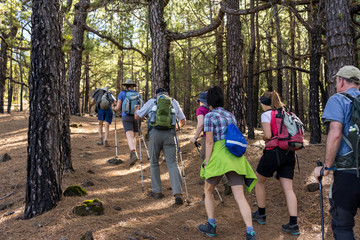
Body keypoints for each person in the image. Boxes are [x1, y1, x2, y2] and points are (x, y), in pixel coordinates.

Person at [197, 86, 257, 240]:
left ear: (209, 102)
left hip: (218, 157)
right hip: (235, 157)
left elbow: (209, 142)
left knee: (208, 190)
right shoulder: (231, 116)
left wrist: (207, 162)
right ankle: (250, 231)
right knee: (240, 196)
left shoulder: (210, 116)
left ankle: (211, 226)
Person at [314, 65, 360, 240]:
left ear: (341, 80)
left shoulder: (337, 100)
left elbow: (335, 134)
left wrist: (326, 167)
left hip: (347, 174)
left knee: (342, 227)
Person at [251, 91, 300, 235]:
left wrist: (262, 137)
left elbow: (268, 135)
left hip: (273, 152)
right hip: (289, 152)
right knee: (289, 189)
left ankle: (261, 214)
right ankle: (293, 223)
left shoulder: (266, 115)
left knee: (258, 181)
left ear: (264, 103)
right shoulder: (286, 113)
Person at [134, 87, 186, 205]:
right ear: (167, 94)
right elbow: (183, 121)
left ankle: (157, 191)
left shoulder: (152, 101)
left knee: (154, 162)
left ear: (156, 94)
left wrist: (136, 109)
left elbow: (137, 116)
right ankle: (178, 193)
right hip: (170, 135)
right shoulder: (174, 102)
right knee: (173, 163)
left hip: (155, 134)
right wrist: (175, 129)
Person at [114, 79, 141, 166]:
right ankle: (134, 155)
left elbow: (118, 107)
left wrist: (113, 108)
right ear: (133, 86)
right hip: (137, 117)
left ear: (126, 85)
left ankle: (133, 153)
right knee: (134, 137)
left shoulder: (122, 93)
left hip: (127, 116)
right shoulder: (138, 94)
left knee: (129, 136)